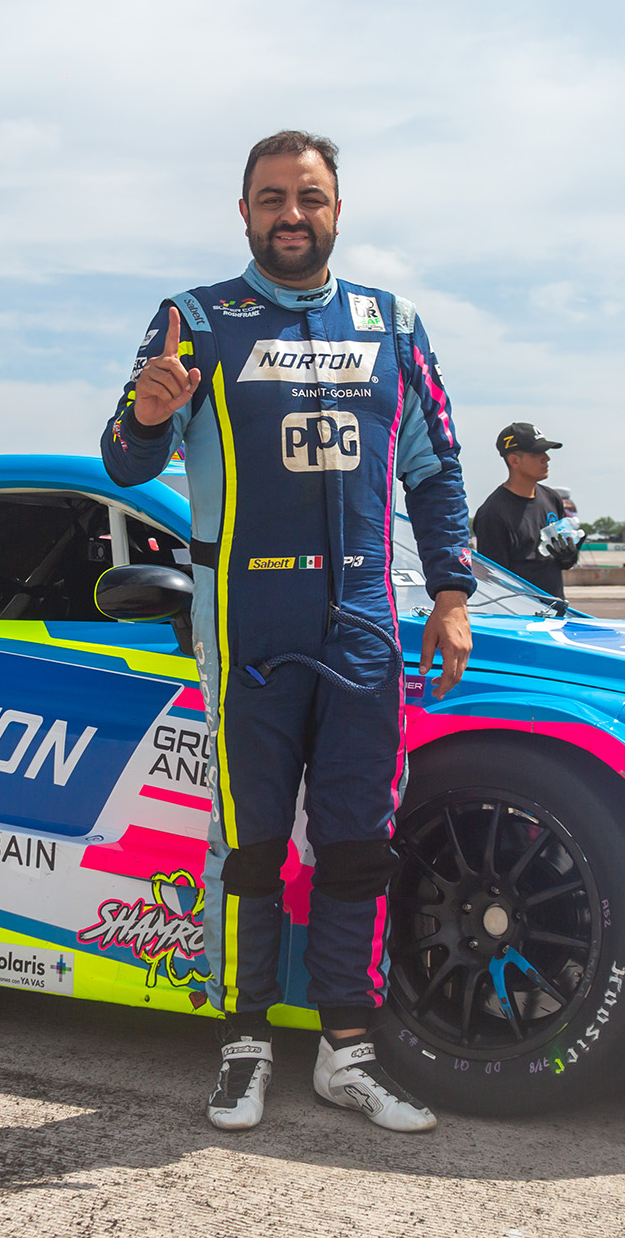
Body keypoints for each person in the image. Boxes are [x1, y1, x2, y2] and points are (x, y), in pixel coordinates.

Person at [100, 130, 474, 1134]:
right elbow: (126, 461)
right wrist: (147, 415)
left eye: (309, 197)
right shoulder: (193, 320)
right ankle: (245, 1045)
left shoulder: (393, 324)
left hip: (364, 629)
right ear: (244, 213)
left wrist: (450, 593)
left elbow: (436, 469)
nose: (291, 215)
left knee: (358, 843)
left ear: (337, 209)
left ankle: (347, 1051)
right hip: (247, 630)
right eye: (271, 198)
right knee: (252, 847)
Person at [472, 422, 580, 604]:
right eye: (536, 454)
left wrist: (569, 555)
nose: (546, 458)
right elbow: (494, 582)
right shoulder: (493, 514)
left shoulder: (552, 498)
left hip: (557, 609)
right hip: (522, 615)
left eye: (546, 452)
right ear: (514, 461)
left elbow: (564, 563)